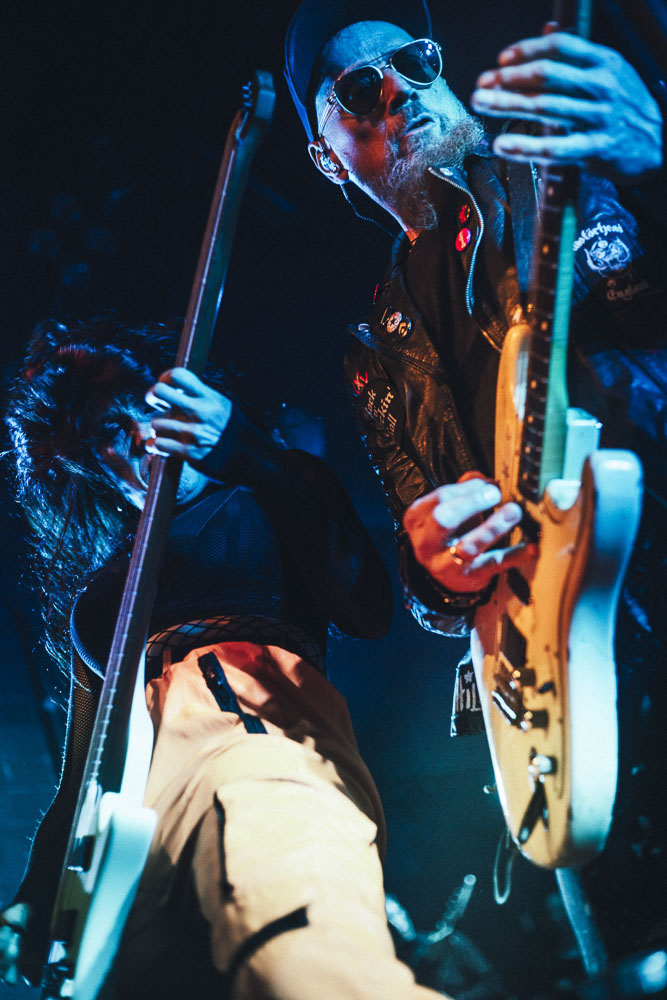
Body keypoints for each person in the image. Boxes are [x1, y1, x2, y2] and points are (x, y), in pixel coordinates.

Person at [284, 0, 667, 979]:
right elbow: (425, 585)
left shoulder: (563, 172)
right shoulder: (375, 346)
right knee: (634, 966)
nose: (396, 90)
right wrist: (437, 564)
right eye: (356, 88)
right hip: (555, 679)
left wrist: (657, 159)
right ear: (326, 156)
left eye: (412, 60)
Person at [0, 317, 451, 999]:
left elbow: (369, 611)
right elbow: (82, 779)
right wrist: (38, 893)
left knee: (304, 962)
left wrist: (244, 447)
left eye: (148, 405)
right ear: (86, 463)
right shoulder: (98, 603)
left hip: (253, 746)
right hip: (145, 836)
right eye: (110, 429)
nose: (143, 433)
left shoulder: (266, 491)